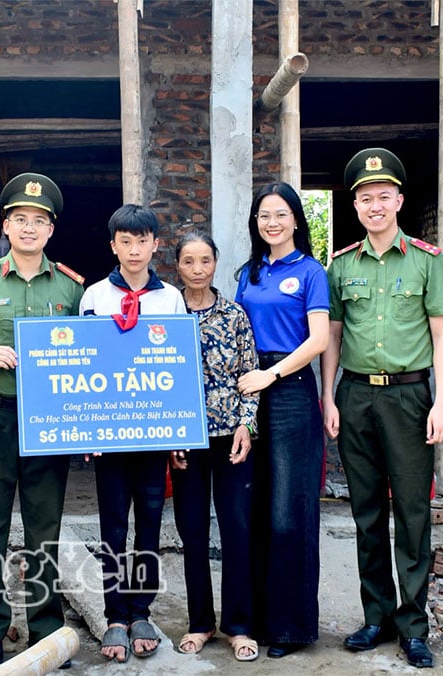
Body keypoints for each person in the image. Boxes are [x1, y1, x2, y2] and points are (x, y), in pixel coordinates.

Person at [321, 149, 443, 669]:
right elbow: (332, 335)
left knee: (413, 512)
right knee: (367, 510)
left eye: (383, 196)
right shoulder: (342, 265)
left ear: (399, 200)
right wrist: (328, 396)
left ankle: (413, 625)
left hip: (409, 395)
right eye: (365, 198)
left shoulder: (426, 260)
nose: (374, 206)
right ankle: (375, 616)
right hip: (356, 395)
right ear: (354, 205)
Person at [0, 173, 84, 664]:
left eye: (39, 221)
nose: (29, 228)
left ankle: (45, 627)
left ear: (51, 230)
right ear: (6, 225)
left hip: (49, 422)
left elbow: (88, 355)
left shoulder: (70, 289)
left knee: (44, 527)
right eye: (20, 220)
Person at [79, 204, 186, 663]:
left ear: (155, 245)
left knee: (148, 522)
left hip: (154, 434)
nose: (134, 249)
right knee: (112, 525)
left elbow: (180, 369)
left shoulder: (171, 300)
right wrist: (85, 429)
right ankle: (114, 615)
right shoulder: (95, 296)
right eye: (125, 241)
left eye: (142, 240)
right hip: (110, 434)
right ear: (113, 246)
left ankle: (141, 608)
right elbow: (84, 364)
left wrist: (181, 430)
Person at [235, 182, 329, 659]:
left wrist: (270, 374)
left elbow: (317, 341)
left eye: (280, 214)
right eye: (263, 216)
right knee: (253, 507)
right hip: (249, 391)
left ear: (296, 219)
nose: (271, 222)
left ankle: (290, 628)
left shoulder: (312, 272)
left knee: (289, 511)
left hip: (289, 389)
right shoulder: (248, 273)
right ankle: (251, 622)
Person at [170, 231, 260, 662]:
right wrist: (168, 436)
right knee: (192, 531)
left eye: (205, 260)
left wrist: (246, 425)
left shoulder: (235, 316)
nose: (198, 269)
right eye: (189, 261)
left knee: (237, 529)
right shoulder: (165, 316)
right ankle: (200, 622)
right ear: (178, 267)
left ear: (216, 263)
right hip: (185, 439)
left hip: (230, 439)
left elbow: (250, 374)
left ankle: (239, 625)